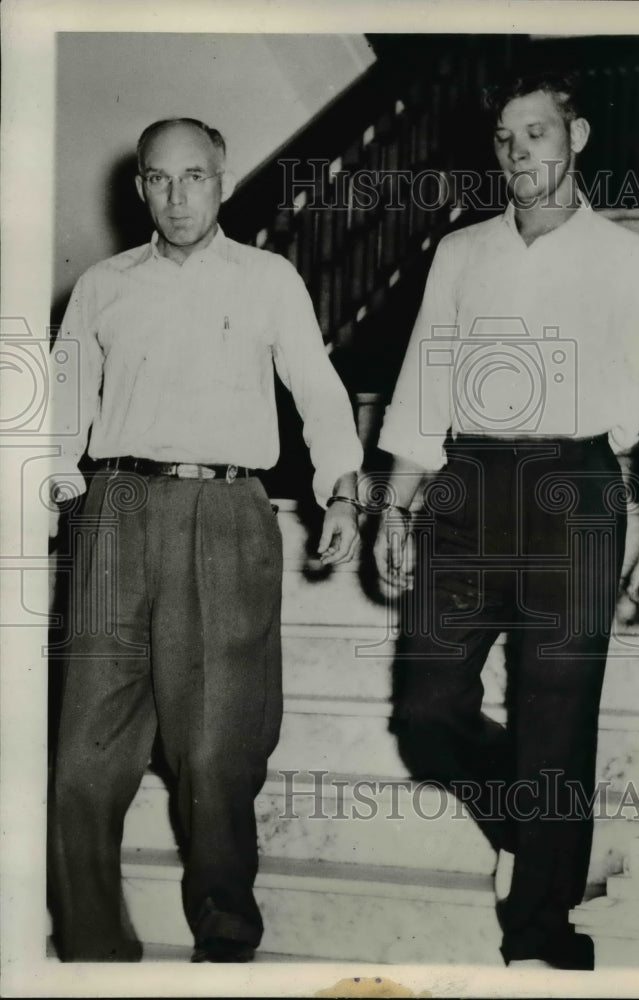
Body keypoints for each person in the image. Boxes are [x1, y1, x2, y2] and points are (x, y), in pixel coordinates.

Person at [373, 69, 639, 969]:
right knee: (426, 708)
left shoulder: (632, 262)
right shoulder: (460, 252)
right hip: (467, 481)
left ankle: (542, 929)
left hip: (577, 486)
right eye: (506, 139)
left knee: (558, 718)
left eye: (537, 133)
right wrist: (394, 506)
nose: (520, 153)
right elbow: (418, 394)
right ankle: (536, 823)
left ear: (579, 136)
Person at [48, 118, 363, 962]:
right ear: (140, 188)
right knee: (84, 751)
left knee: (216, 746)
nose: (178, 195)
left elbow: (320, 391)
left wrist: (342, 486)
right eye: (160, 179)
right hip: (112, 506)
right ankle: (88, 942)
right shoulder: (103, 286)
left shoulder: (268, 279)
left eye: (196, 177)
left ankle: (225, 928)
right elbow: (61, 413)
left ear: (223, 180)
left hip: (225, 513)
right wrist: (44, 499)